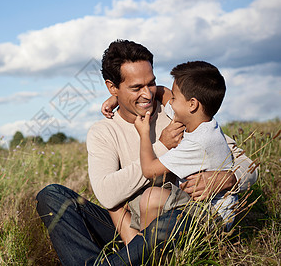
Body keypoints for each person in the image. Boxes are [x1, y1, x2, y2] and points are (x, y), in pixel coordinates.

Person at [36, 40, 258, 265]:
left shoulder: (177, 112)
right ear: (112, 87)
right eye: (136, 88)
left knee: (175, 220)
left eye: (151, 84)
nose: (147, 95)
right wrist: (161, 146)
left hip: (175, 222)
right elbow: (107, 194)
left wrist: (228, 178)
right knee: (52, 196)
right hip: (128, 227)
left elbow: (246, 164)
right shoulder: (102, 132)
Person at [106, 61, 238, 244]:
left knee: (151, 197)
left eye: (175, 98)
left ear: (192, 104)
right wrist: (118, 98)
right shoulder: (201, 122)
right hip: (203, 207)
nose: (170, 101)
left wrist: (144, 134)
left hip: (210, 219)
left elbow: (149, 170)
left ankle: (145, 253)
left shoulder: (196, 143)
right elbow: (163, 92)